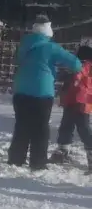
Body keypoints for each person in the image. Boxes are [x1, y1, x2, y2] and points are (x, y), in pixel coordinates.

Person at [9, 18, 82, 170]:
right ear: (48, 32)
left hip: (20, 91)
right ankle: (38, 161)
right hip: (42, 93)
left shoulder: (24, 45)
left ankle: (16, 159)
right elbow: (76, 64)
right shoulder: (51, 47)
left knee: (22, 126)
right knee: (40, 128)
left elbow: (17, 61)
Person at [49, 43, 92, 170]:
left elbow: (77, 78)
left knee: (83, 128)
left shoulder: (85, 66)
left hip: (81, 102)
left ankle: (88, 151)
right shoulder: (80, 66)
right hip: (72, 101)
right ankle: (63, 149)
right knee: (67, 125)